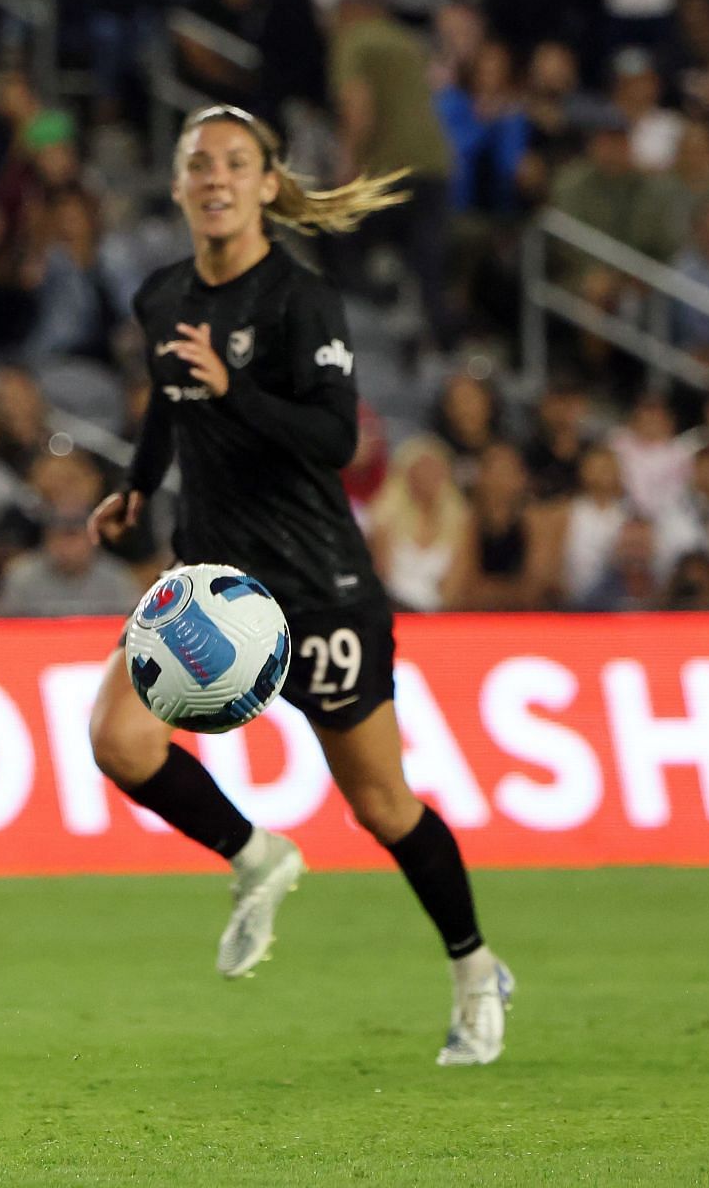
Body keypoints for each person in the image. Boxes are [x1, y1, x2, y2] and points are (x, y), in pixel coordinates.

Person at [87, 104, 514, 1067]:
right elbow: (169, 398)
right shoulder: (161, 296)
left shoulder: (300, 300)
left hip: (317, 585)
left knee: (382, 806)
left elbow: (336, 438)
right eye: (199, 163)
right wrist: (137, 487)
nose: (215, 178)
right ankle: (257, 854)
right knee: (117, 737)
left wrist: (236, 390)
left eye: (236, 163)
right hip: (208, 586)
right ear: (178, 185)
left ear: (269, 185)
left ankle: (475, 968)